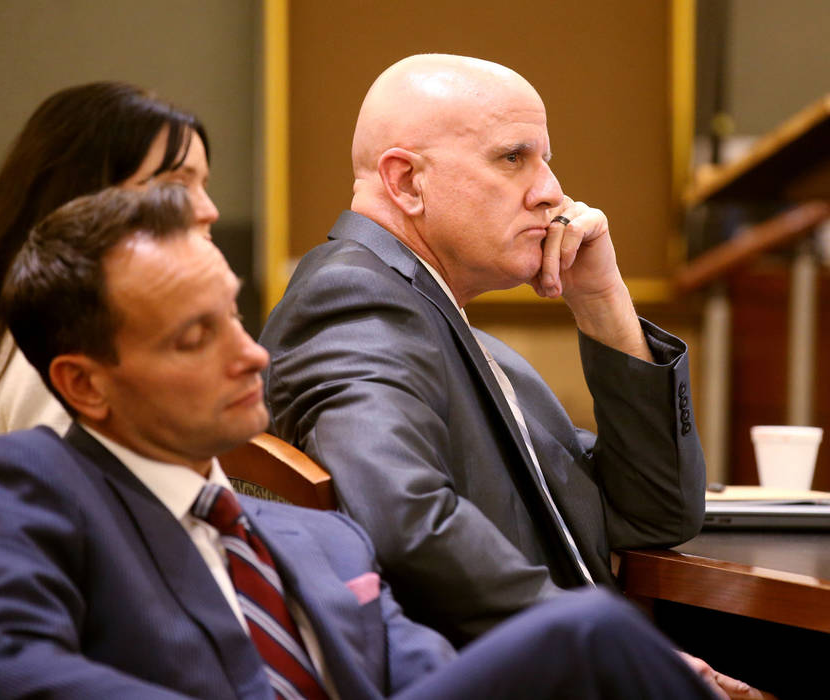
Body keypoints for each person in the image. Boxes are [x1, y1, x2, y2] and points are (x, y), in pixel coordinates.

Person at [0, 184, 721, 700]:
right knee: (586, 631)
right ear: (85, 385)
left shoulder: (319, 538)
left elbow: (423, 674)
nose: (251, 355)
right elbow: (5, 668)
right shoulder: (25, 483)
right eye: (195, 337)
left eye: (234, 318)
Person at [260, 54, 707, 642]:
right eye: (513, 158)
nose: (551, 192)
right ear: (406, 182)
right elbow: (407, 523)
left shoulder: (443, 324)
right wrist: (603, 644)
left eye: (545, 160)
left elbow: (656, 512)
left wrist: (602, 300)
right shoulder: (354, 301)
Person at [0, 81, 218, 439]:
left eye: (204, 186)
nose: (209, 211)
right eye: (176, 188)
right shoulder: (65, 350)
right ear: (84, 198)